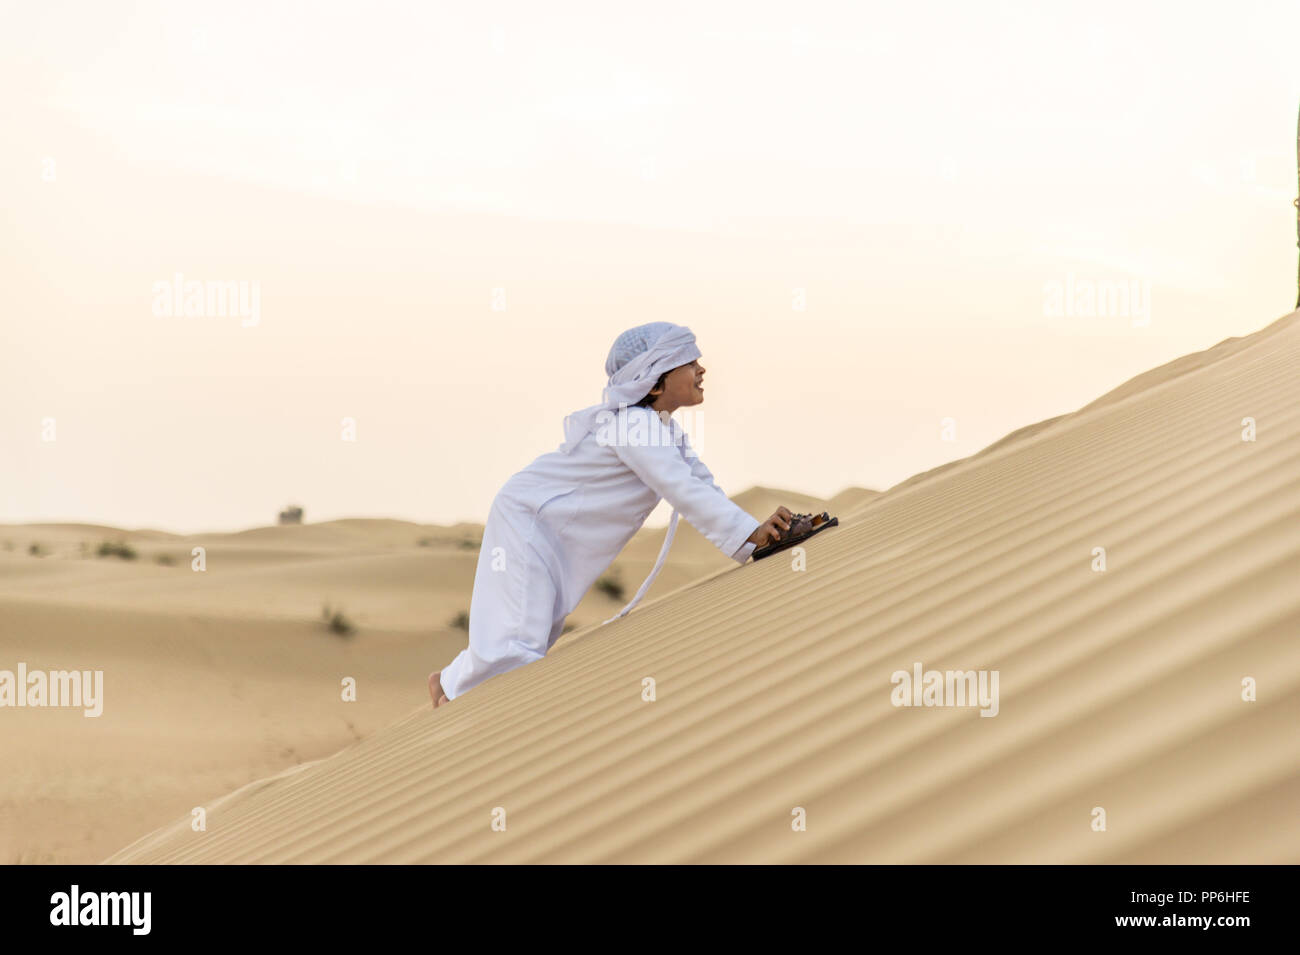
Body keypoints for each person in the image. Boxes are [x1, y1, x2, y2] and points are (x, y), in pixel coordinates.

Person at [429, 322, 792, 706]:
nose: (702, 370)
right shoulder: (634, 425)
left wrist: (754, 533)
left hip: (554, 528)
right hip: (528, 519)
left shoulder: (663, 430)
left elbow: (700, 484)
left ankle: (452, 683)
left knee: (540, 627)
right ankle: (461, 697)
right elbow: (683, 490)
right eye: (690, 362)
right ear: (654, 383)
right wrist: (750, 534)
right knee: (517, 641)